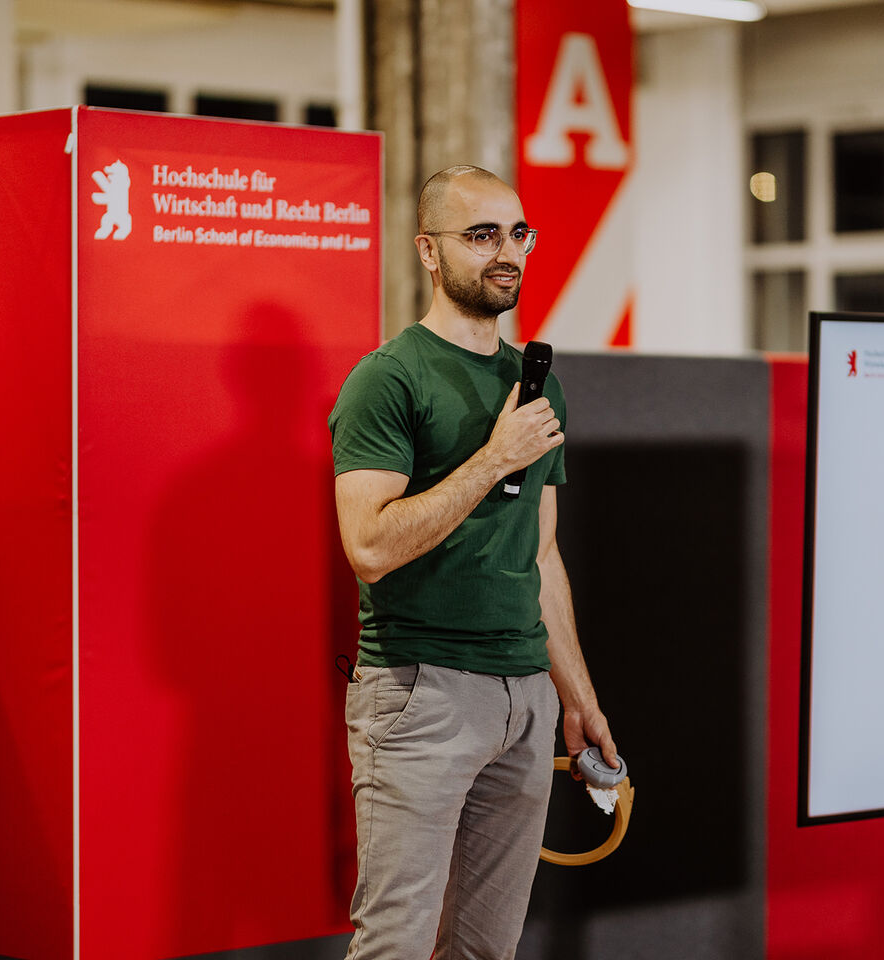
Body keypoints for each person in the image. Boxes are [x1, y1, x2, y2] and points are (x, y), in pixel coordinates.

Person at [327, 164, 618, 960]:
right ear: (428, 250)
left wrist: (578, 698)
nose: (507, 251)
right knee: (395, 943)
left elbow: (542, 553)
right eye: (481, 233)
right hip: (422, 694)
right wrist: (491, 460)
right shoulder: (387, 380)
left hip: (526, 700)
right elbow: (371, 548)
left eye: (518, 232)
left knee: (487, 948)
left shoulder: (537, 387)